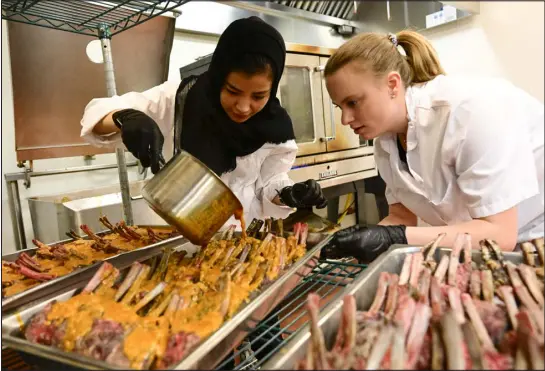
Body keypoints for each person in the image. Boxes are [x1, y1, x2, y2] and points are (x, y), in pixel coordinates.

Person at [80, 17, 327, 228]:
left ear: (272, 90)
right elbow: (96, 114)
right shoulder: (179, 99)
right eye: (232, 91)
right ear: (219, 76)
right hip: (177, 238)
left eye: (258, 96)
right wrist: (124, 118)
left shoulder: (276, 129)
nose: (243, 107)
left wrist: (289, 194)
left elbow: (269, 186)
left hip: (240, 244)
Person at [321, 30, 544, 262]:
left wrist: (393, 236)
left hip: (535, 236)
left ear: (392, 85)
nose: (345, 120)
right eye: (340, 107)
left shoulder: (467, 112)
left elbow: (499, 233)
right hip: (480, 248)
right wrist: (366, 238)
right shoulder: (385, 144)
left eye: (353, 102)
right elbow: (401, 216)